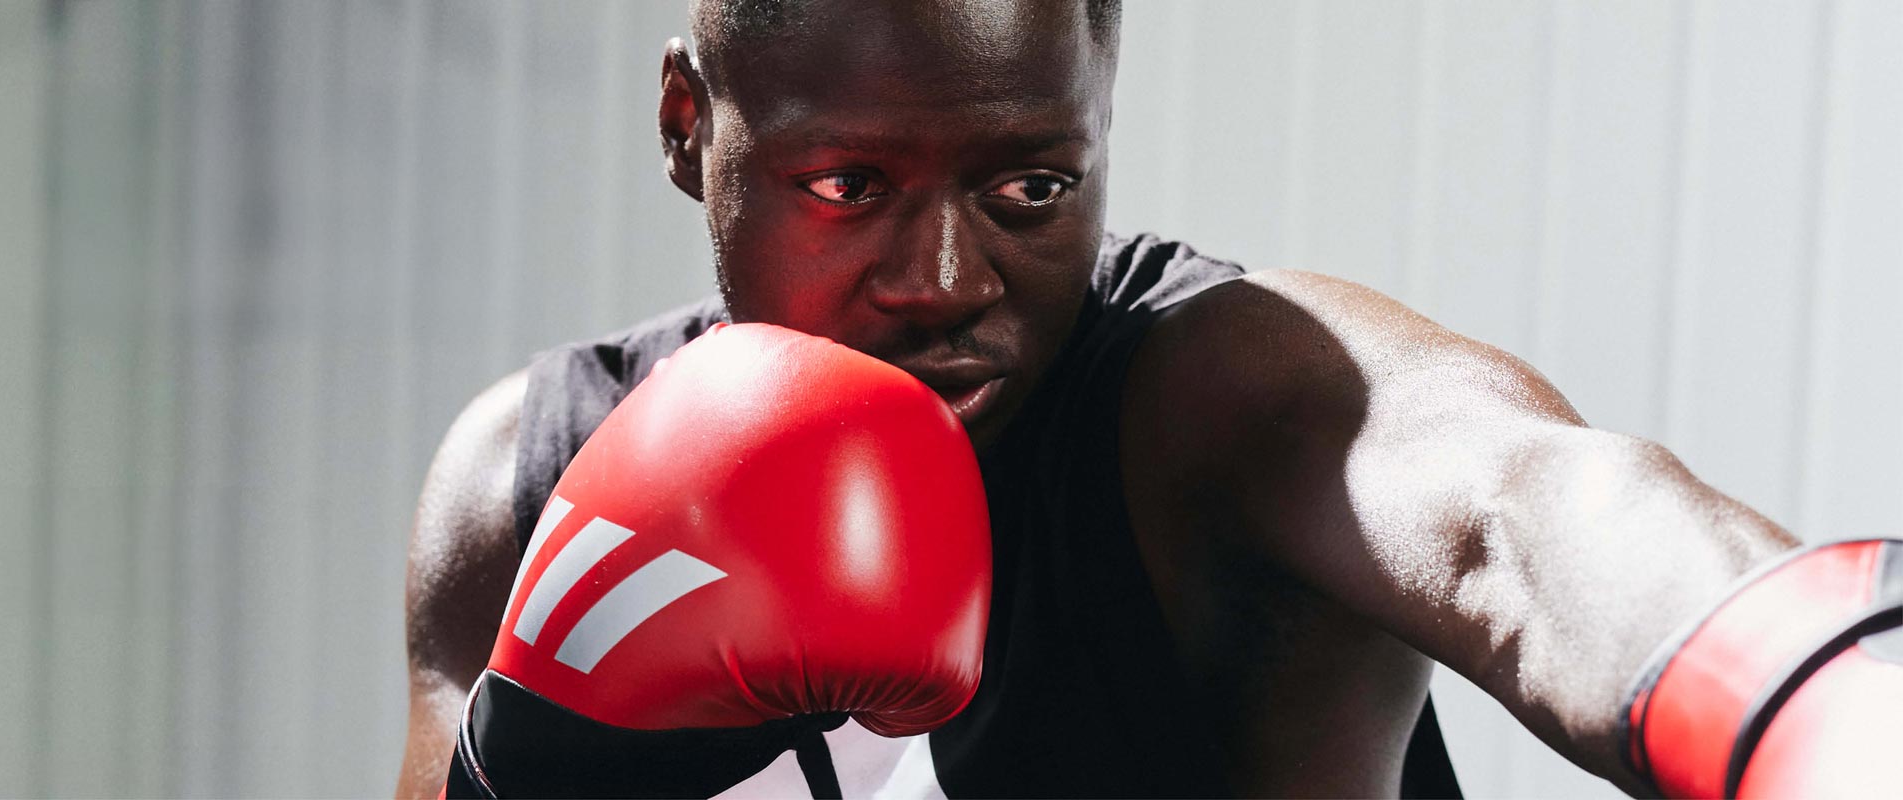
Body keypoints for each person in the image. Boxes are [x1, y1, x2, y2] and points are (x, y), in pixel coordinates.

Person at [396, 1, 1898, 798]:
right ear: (689, 126)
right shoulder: (531, 486)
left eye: (1029, 187)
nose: (944, 278)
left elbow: (1525, 517)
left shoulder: (1222, 402)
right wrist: (528, 771)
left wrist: (1826, 708)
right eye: (848, 186)